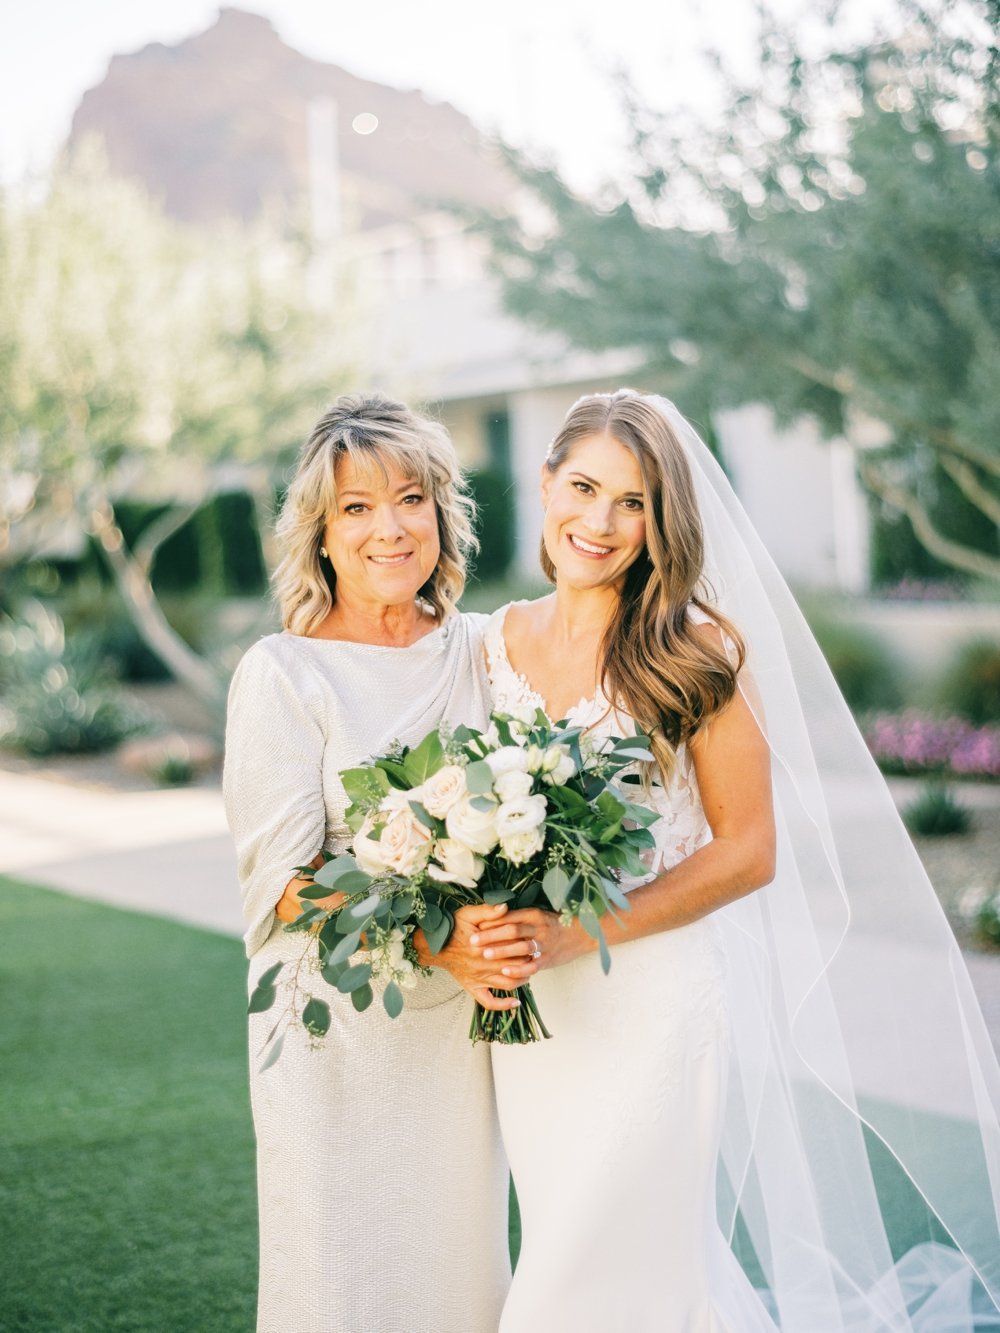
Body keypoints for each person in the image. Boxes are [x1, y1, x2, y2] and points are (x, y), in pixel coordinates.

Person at [471, 389, 1000, 1331]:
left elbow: (750, 851)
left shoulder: (695, 652)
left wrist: (573, 932)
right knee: (565, 1243)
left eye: (632, 502)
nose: (600, 521)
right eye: (584, 486)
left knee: (600, 1274)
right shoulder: (485, 644)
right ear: (544, 482)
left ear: (663, 521)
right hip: (536, 1020)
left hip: (653, 1003)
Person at [223, 392, 517, 1333]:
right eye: (356, 507)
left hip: (457, 1039)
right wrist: (442, 948)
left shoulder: (484, 653)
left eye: (411, 498)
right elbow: (285, 885)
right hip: (340, 1033)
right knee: (342, 1276)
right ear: (319, 533)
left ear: (443, 512)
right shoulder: (285, 672)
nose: (390, 528)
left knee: (458, 1274)